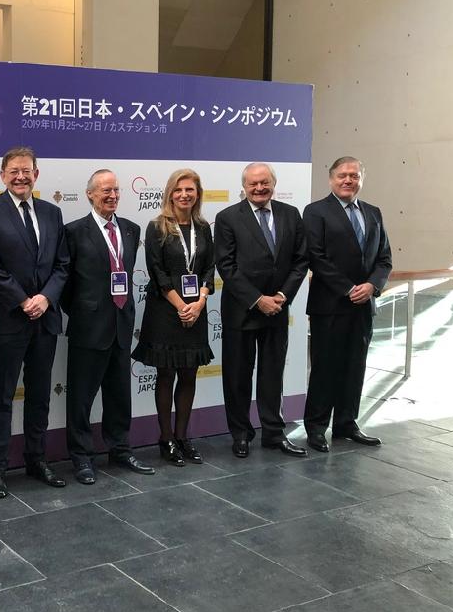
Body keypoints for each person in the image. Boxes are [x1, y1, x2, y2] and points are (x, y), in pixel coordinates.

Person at [0, 146, 70, 498]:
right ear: (3, 175)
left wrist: (45, 298)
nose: (20, 176)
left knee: (40, 394)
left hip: (45, 319)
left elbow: (62, 265)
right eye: (13, 171)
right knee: (2, 397)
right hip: (7, 319)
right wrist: (23, 300)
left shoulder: (51, 212)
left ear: (36, 174)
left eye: (26, 170)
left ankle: (36, 460)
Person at [63, 170, 155, 483]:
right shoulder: (74, 232)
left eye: (116, 190)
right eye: (105, 190)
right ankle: (81, 457)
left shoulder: (130, 229)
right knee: (80, 398)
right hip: (88, 327)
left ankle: (120, 449)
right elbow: (66, 285)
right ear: (90, 194)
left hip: (121, 325)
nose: (112, 195)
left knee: (119, 395)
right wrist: (84, 311)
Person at [214, 162, 309, 458]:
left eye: (264, 182)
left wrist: (281, 296)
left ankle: (274, 433)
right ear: (244, 187)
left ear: (273, 184)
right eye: (253, 183)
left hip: (277, 310)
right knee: (237, 378)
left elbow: (300, 260)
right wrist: (258, 299)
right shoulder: (227, 217)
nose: (259, 188)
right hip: (241, 311)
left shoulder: (290, 214)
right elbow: (226, 266)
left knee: (272, 376)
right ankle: (241, 434)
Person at [302, 156, 392, 452]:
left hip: (363, 305)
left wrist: (372, 286)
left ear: (361, 180)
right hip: (330, 305)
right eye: (342, 175)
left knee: (355, 367)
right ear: (331, 179)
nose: (348, 180)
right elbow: (316, 257)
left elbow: (384, 258)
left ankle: (346, 423)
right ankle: (316, 427)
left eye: (354, 175)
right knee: (325, 368)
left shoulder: (373, 212)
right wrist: (348, 288)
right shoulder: (316, 212)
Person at [132, 169, 215, 466]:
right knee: (166, 375)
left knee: (189, 374)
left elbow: (209, 268)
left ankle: (183, 438)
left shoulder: (203, 227)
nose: (184, 195)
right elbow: (157, 272)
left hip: (196, 311)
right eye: (178, 190)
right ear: (170, 193)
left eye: (190, 189)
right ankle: (165, 438)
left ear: (197, 193)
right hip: (166, 312)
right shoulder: (157, 227)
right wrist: (182, 306)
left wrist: (200, 302)